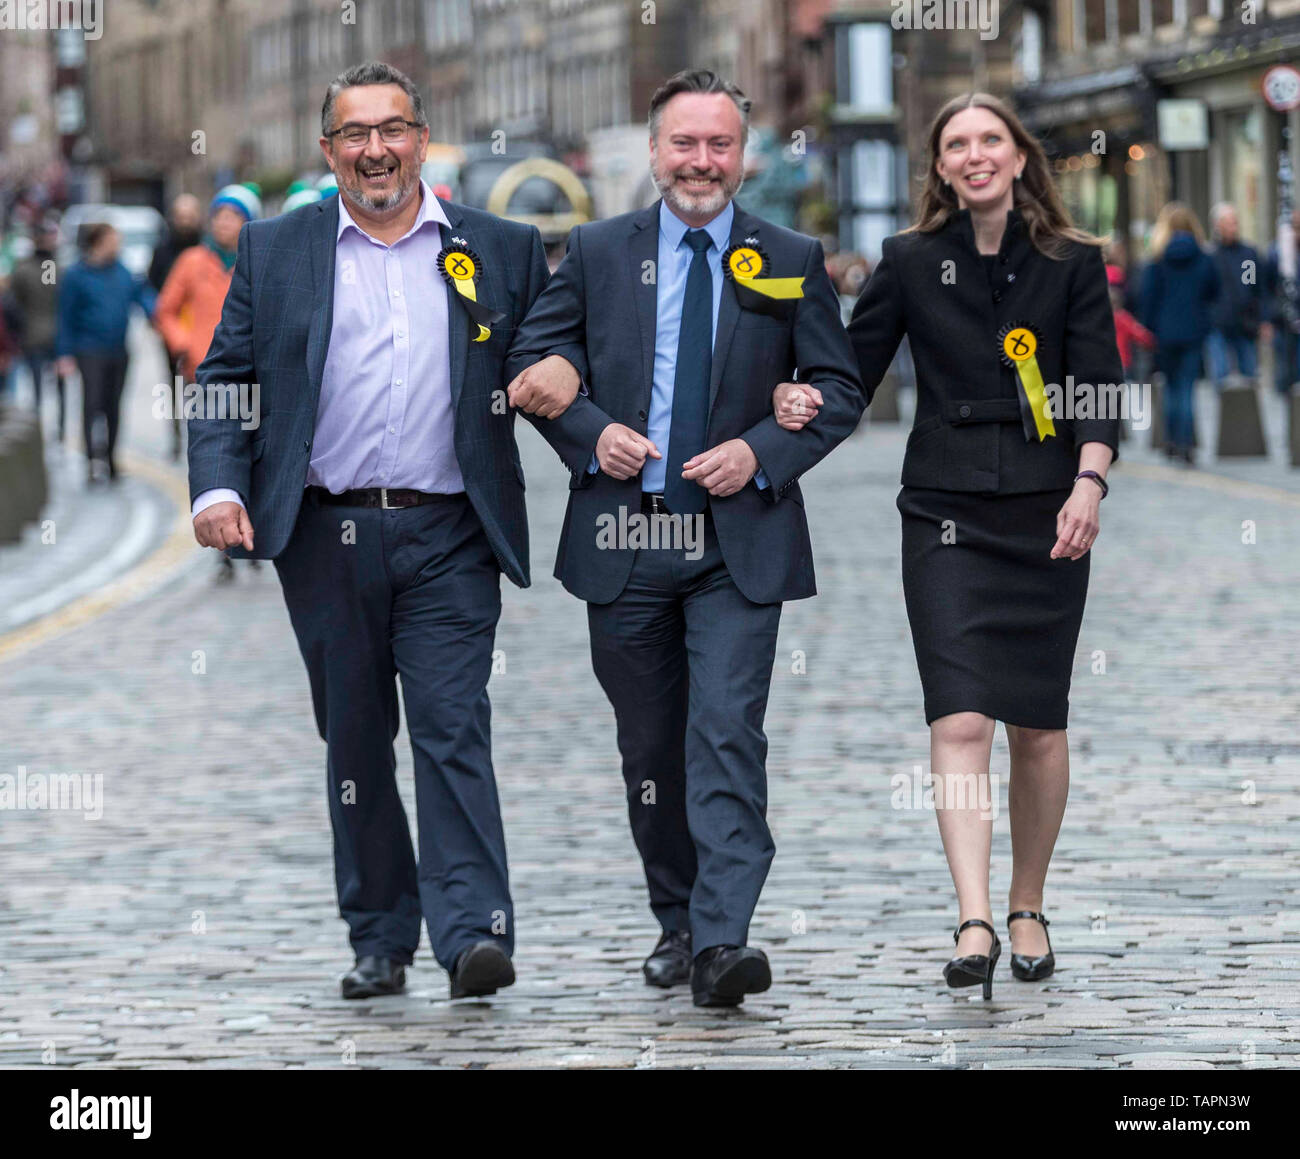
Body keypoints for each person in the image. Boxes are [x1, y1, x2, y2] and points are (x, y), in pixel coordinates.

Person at [188, 61, 583, 1002]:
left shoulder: (500, 246)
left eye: (393, 129)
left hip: (450, 529)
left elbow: (558, 349)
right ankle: (379, 934)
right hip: (324, 536)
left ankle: (472, 933)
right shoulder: (279, 251)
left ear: (421, 138)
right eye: (355, 134)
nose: (376, 149)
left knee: (454, 728)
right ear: (329, 151)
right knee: (356, 742)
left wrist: (569, 376)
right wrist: (214, 487)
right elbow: (225, 379)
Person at [508, 69, 866, 1007]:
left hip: (736, 542)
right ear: (658, 151)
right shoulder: (593, 251)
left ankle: (723, 940)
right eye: (684, 144)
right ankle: (677, 913)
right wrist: (590, 432)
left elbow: (838, 389)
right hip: (625, 536)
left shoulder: (789, 254)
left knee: (725, 735)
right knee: (651, 749)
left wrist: (762, 448)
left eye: (719, 145)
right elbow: (531, 367)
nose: (701, 162)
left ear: (742, 156)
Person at [779, 92, 1121, 1000]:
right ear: (939, 167)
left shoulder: (1074, 262)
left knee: (1038, 725)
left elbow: (1097, 385)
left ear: (1017, 158)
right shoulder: (906, 260)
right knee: (961, 717)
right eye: (955, 145)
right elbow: (851, 372)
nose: (974, 156)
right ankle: (973, 913)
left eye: (990, 141)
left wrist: (1089, 483)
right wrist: (799, 401)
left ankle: (1027, 902)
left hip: (1052, 512)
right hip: (943, 515)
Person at [157, 185, 261, 587]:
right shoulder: (191, 261)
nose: (223, 223)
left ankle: (253, 536)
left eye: (233, 217)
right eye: (218, 216)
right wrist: (182, 344)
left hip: (252, 375)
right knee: (216, 457)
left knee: (253, 454)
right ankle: (224, 552)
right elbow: (165, 309)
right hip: (202, 373)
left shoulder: (257, 260)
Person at [55, 223, 156, 484]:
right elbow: (65, 316)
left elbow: (143, 298)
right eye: (113, 239)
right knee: (92, 404)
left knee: (114, 406)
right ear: (98, 242)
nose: (118, 245)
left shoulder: (123, 271)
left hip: (118, 349)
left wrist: (160, 314)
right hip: (89, 349)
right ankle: (91, 460)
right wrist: (64, 353)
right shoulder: (77, 275)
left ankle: (110, 459)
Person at [1140, 204, 1220, 465]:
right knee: (1187, 388)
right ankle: (1186, 445)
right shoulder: (1204, 257)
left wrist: (1150, 329)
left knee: (1170, 387)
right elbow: (1213, 291)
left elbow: (1147, 298)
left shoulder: (1157, 259)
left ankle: (1172, 443)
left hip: (1164, 332)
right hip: (1194, 331)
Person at [9, 221, 67, 441]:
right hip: (48, 334)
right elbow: (53, 295)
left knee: (39, 387)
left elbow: (14, 303)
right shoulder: (49, 268)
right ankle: (56, 429)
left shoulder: (25, 268)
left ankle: (45, 429)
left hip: (35, 334)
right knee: (51, 387)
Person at [1206, 203, 1263, 388]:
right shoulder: (1209, 255)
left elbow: (1255, 286)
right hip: (1218, 324)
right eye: (1228, 223)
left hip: (1245, 323)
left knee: (1250, 375)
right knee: (1220, 376)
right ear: (1217, 226)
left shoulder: (1248, 254)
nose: (1233, 227)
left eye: (1235, 222)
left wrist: (1262, 318)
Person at [1262, 206, 1300, 394]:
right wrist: (1267, 318)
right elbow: (1265, 287)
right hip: (1282, 319)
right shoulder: (1275, 253)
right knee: (1285, 368)